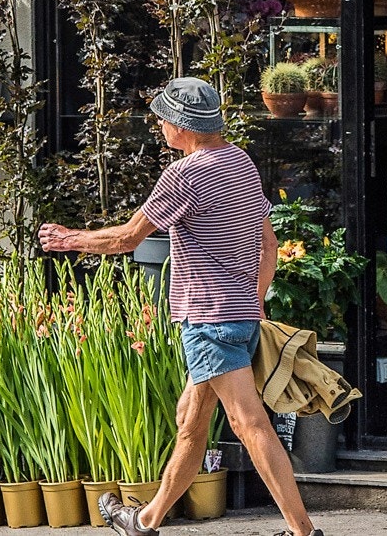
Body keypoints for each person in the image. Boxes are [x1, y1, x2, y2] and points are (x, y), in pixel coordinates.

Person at [38, 76, 323, 536]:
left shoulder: (184, 175)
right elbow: (268, 244)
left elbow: (129, 237)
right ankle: (145, 520)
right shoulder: (240, 161)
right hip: (240, 314)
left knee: (249, 424)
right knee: (190, 420)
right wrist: (254, 300)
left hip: (210, 320)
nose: (158, 126)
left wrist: (71, 239)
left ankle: (302, 532)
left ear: (180, 126)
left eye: (162, 119)